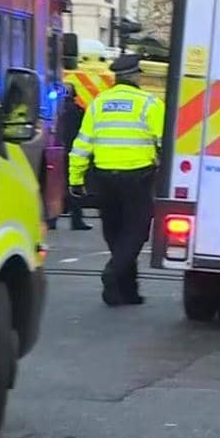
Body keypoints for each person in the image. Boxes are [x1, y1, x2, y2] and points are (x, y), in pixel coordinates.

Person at [69, 53, 165, 306]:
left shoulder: (98, 103)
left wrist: (75, 179)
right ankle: (112, 273)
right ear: (136, 76)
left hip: (104, 178)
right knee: (136, 232)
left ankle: (126, 290)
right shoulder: (150, 104)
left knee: (114, 231)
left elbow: (82, 145)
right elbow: (164, 142)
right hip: (137, 177)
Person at [51, 84, 91, 231]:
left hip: (55, 150)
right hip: (72, 151)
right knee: (74, 186)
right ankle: (76, 220)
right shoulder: (78, 111)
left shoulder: (54, 109)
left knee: (55, 186)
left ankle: (51, 220)